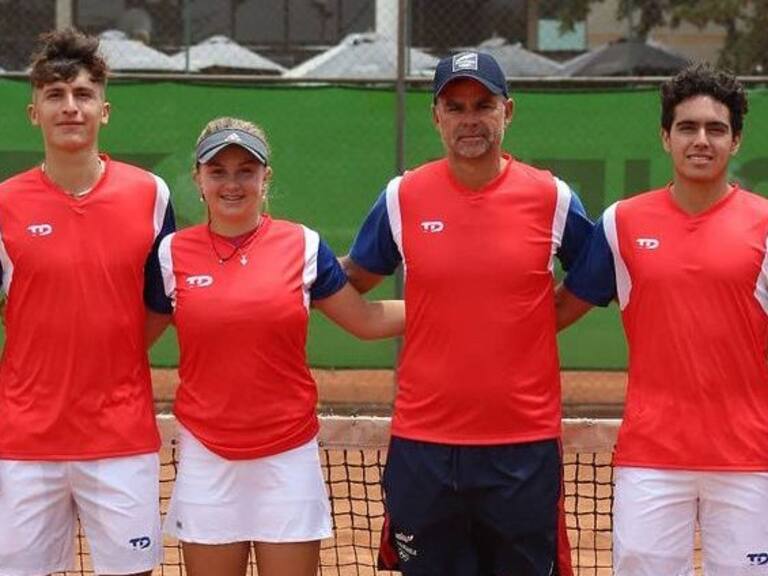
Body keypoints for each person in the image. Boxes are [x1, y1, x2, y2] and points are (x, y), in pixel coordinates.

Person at [342, 51, 593, 576]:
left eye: (484, 104)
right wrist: (286, 263)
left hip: (523, 449)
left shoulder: (553, 198)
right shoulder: (401, 197)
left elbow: (591, 281)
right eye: (455, 106)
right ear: (436, 116)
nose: (470, 119)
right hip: (424, 447)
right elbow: (353, 281)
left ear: (509, 111)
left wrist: (527, 322)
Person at [158, 116, 405, 576]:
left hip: (287, 457)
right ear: (198, 178)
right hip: (206, 457)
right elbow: (131, 335)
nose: (232, 183)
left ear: (265, 177)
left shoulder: (303, 245)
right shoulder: (171, 255)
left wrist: (457, 307)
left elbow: (367, 320)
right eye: (218, 171)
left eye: (246, 171)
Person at [556, 64, 768, 575]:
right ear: (665, 137)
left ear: (736, 140)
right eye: (687, 127)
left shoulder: (766, 223)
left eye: (716, 129)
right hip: (650, 460)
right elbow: (556, 311)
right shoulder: (620, 223)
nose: (701, 140)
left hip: (751, 461)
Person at [0, 29, 175, 576]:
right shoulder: (2, 204)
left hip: (120, 439)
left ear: (105, 109)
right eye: (55, 95)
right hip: (23, 440)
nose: (70, 107)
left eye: (82, 94)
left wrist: (110, 356)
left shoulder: (152, 194)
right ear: (34, 112)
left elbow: (160, 303)